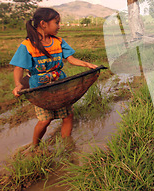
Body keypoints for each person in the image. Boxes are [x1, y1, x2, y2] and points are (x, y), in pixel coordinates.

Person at [11, 8, 97, 147]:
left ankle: (67, 144)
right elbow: (18, 67)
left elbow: (71, 59)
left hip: (60, 85)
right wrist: (18, 84)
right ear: (43, 24)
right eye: (56, 23)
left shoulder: (58, 42)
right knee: (45, 120)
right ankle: (35, 146)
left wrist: (87, 64)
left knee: (68, 116)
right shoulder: (28, 45)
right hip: (40, 89)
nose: (59, 26)